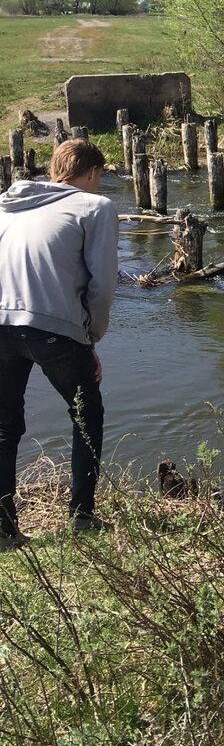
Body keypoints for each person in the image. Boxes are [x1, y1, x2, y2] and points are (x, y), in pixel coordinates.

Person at [0, 139, 119, 547]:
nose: (100, 185)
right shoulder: (95, 207)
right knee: (88, 414)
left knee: (3, 426)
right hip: (52, 329)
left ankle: (3, 531)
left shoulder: (5, 207)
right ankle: (82, 517)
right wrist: (91, 339)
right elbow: (102, 286)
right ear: (90, 173)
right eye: (100, 177)